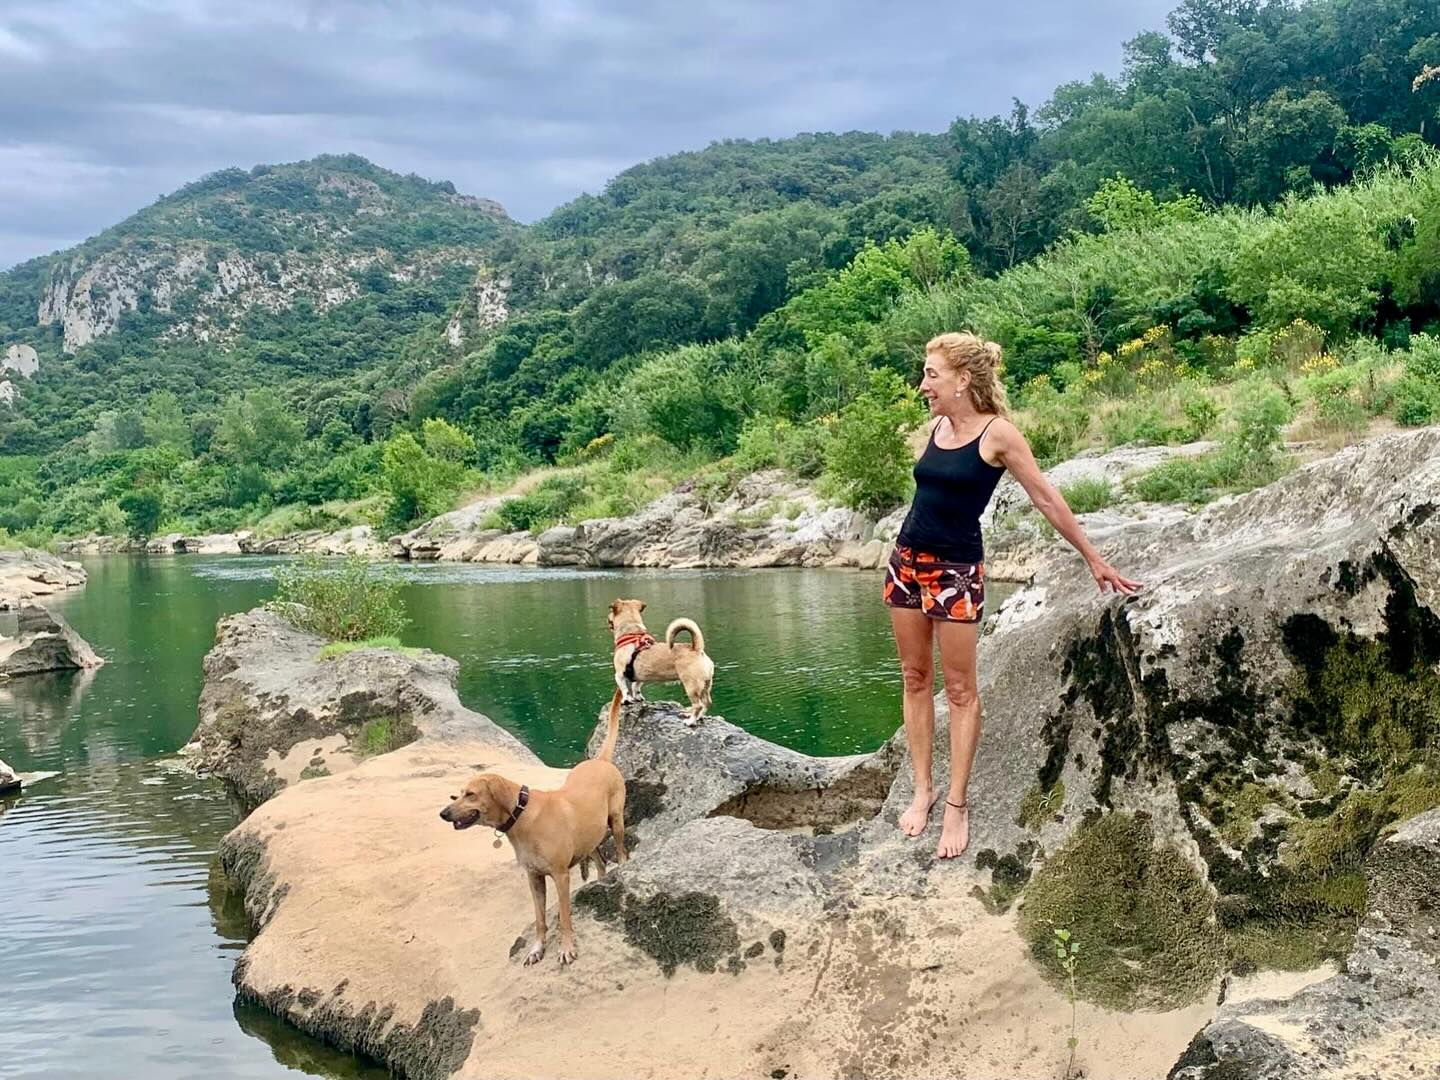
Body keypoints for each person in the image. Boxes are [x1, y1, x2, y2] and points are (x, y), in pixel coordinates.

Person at [883, 332, 1141, 859]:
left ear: (963, 379)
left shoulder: (998, 434)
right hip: (907, 563)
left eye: (931, 375)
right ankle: (922, 789)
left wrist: (1092, 557)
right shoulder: (936, 426)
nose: (923, 385)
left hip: (956, 571)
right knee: (914, 677)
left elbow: (1045, 498)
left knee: (960, 689)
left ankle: (956, 803)